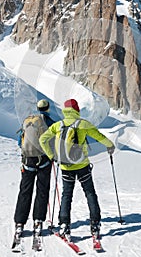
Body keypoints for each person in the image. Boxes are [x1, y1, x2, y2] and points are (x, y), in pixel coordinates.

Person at [39, 98, 115, 240]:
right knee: (90, 193)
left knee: (67, 195)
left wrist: (51, 155)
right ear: (76, 110)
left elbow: (43, 139)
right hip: (82, 166)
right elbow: (99, 136)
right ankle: (95, 224)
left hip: (65, 166)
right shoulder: (83, 124)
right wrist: (110, 145)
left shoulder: (58, 125)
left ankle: (64, 225)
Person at [13, 99, 55, 237]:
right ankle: (38, 221)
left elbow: (20, 142)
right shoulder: (49, 122)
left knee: (25, 191)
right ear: (47, 108)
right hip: (43, 161)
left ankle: (20, 222)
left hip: (28, 161)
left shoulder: (28, 121)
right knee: (42, 190)